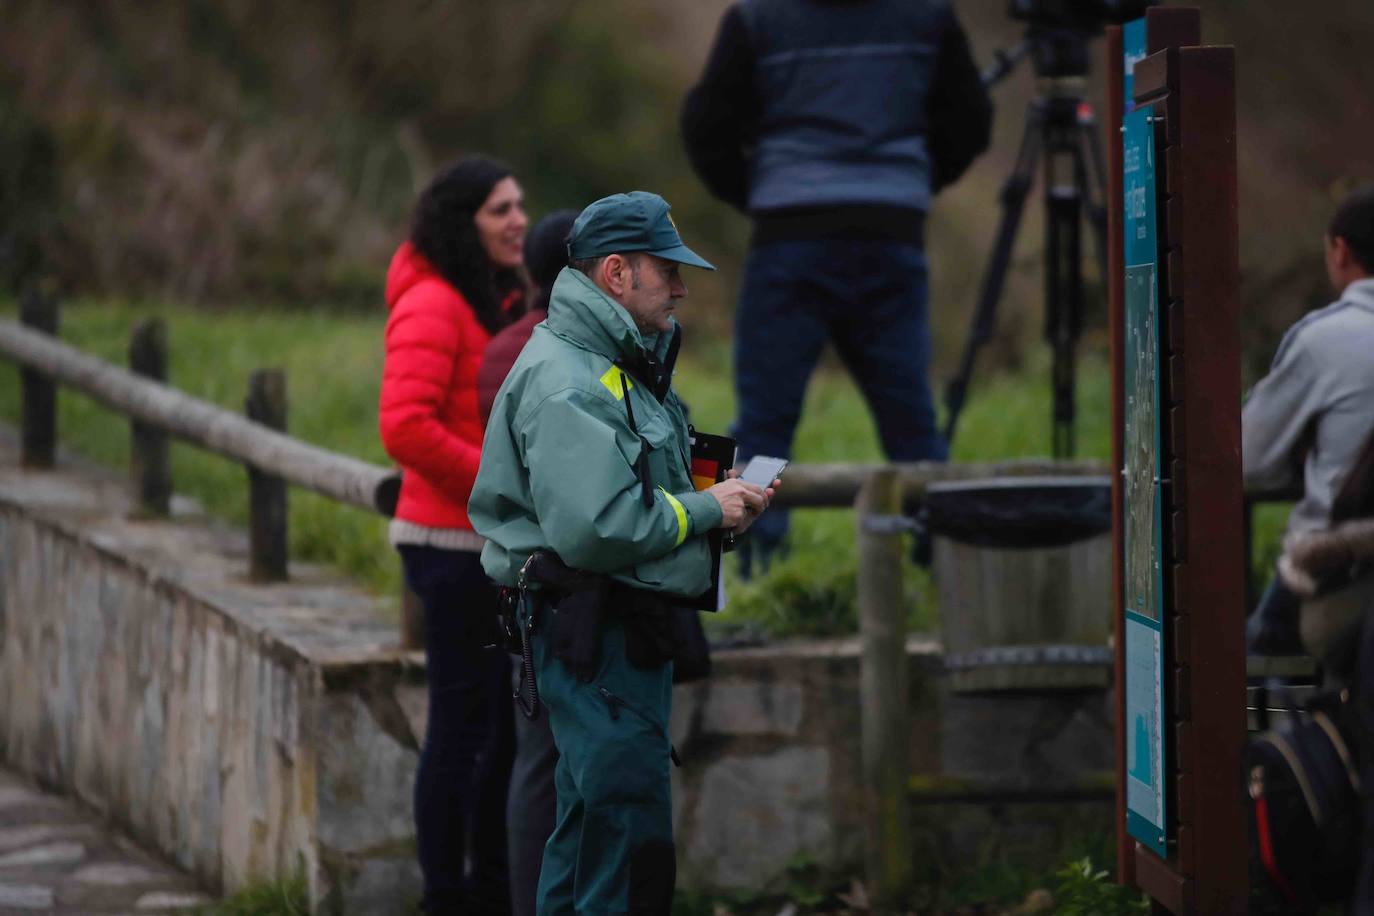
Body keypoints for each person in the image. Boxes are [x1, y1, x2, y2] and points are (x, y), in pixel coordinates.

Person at [469, 191, 776, 915]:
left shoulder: (612, 360)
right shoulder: (570, 382)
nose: (681, 287)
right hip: (595, 634)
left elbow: (636, 491)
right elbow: (596, 528)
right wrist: (706, 508)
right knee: (625, 840)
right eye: (666, 270)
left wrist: (718, 504)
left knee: (584, 835)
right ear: (615, 274)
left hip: (614, 629)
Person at [681, 0, 993, 571]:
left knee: (765, 425)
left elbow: (704, 126)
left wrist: (758, 193)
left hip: (788, 237)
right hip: (891, 234)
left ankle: (756, 574)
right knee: (911, 423)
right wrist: (912, 183)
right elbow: (971, 121)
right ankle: (950, 573)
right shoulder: (926, 18)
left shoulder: (757, 18)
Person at [378, 154, 528, 914]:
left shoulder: (487, 297)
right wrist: (500, 486)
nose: (518, 221)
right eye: (500, 209)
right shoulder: (435, 303)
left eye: (520, 206)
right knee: (463, 732)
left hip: (486, 548)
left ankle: (491, 891)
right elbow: (404, 425)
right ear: (461, 221)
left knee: (496, 732)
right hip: (448, 549)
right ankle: (448, 896)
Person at [476, 208, 577, 916]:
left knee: (530, 756)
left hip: (515, 573)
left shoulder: (499, 349)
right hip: (560, 574)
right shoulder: (553, 354)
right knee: (548, 761)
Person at [1243, 183, 1374, 656]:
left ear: (1340, 251)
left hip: (1340, 571)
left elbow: (1249, 459)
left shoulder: (1322, 340)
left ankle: (1290, 727)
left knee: (1250, 655)